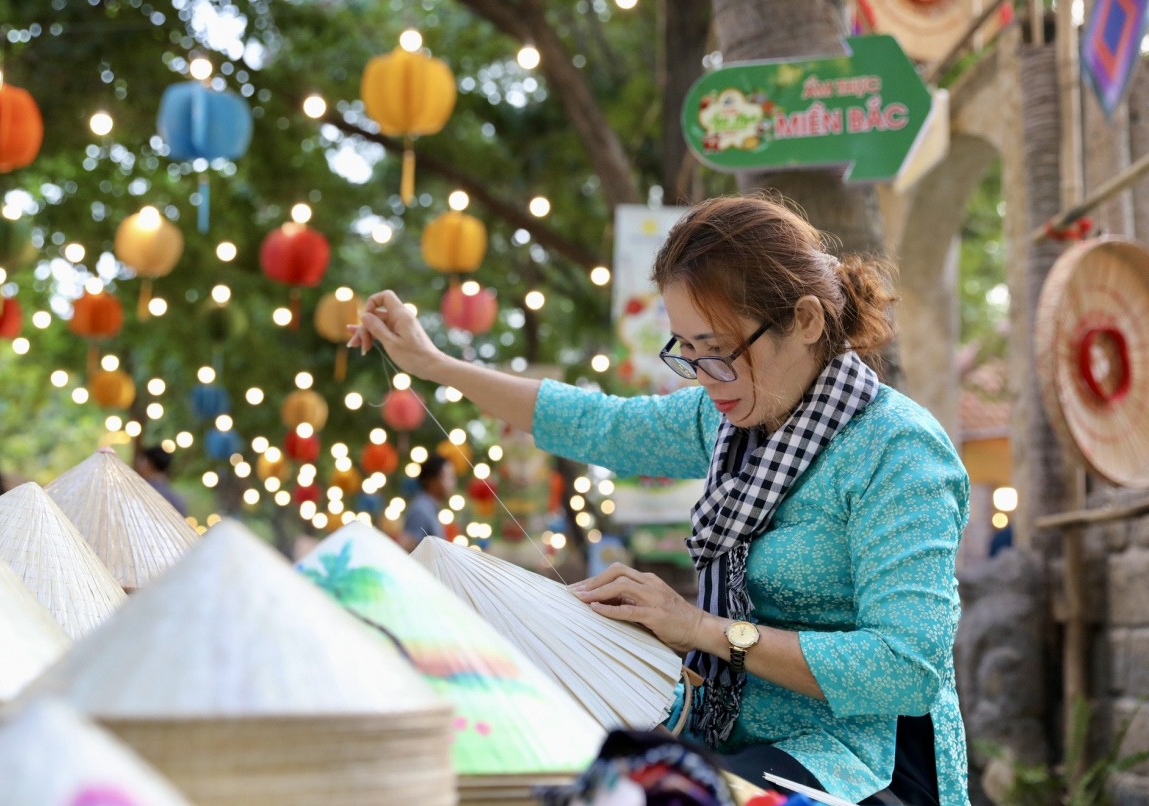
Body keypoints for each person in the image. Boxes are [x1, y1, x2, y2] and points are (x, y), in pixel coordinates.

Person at [349, 196, 970, 806]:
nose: (703, 377)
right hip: (724, 730)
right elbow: (596, 423)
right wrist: (434, 364)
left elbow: (906, 668)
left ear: (806, 321)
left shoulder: (899, 450)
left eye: (719, 351)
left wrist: (701, 628)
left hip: (859, 762)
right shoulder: (726, 420)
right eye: (686, 352)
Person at [403, 454, 456, 546]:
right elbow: (407, 546)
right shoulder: (421, 510)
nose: (453, 483)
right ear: (432, 480)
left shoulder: (431, 508)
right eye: (449, 477)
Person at [134, 444, 188, 516]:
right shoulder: (177, 500)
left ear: (149, 464)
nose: (138, 466)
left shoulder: (138, 493)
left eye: (141, 461)